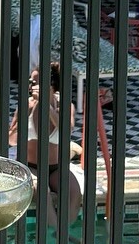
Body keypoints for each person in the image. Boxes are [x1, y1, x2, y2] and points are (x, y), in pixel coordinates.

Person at [8, 64, 83, 214]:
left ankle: (65, 226)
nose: (32, 86)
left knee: (75, 195)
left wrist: (46, 105)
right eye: (31, 82)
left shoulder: (65, 105)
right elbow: (11, 140)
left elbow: (66, 130)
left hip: (56, 167)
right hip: (31, 166)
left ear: (51, 85)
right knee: (44, 193)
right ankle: (56, 228)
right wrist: (20, 124)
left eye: (36, 83)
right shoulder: (27, 105)